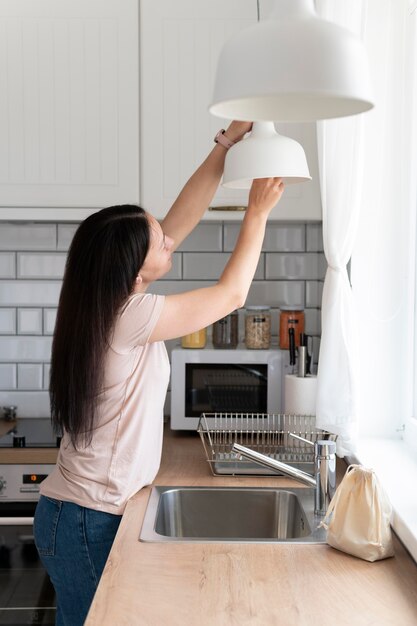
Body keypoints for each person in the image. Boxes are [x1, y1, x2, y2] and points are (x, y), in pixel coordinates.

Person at [33, 120, 284, 626]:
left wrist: (227, 144)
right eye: (158, 240)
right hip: (87, 518)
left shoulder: (106, 302)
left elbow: (178, 221)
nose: (170, 238)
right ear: (135, 271)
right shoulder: (129, 315)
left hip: (79, 515)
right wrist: (255, 214)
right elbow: (232, 296)